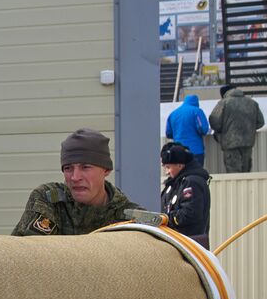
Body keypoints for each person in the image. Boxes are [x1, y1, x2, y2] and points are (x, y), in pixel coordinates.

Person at [12, 128, 142, 236]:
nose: (75, 177)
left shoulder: (130, 218)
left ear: (106, 170)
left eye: (85, 167)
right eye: (68, 168)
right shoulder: (50, 199)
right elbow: (29, 253)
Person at [159, 141, 211, 247]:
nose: (167, 172)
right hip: (175, 242)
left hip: (189, 244)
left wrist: (165, 219)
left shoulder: (192, 183)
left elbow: (190, 213)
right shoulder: (173, 184)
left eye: (168, 167)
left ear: (180, 165)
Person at [208, 84, 264, 173]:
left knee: (233, 173)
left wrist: (222, 131)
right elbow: (261, 122)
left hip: (230, 143)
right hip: (248, 143)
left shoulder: (224, 103)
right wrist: (249, 128)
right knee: (246, 172)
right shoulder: (252, 103)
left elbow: (215, 122)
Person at [165, 93, 209, 168]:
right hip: (195, 150)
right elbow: (203, 129)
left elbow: (168, 133)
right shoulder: (197, 111)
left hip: (178, 151)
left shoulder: (173, 113)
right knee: (196, 174)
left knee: (181, 175)